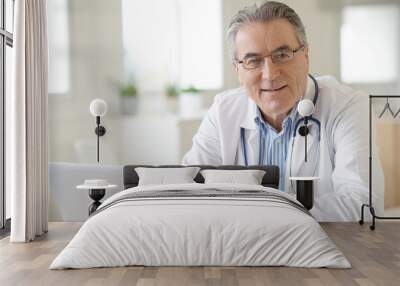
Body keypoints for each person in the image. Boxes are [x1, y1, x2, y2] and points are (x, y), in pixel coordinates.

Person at [182, 1, 383, 221]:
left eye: (282, 55)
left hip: (319, 250)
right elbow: (189, 191)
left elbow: (362, 206)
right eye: (253, 60)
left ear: (305, 55)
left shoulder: (349, 107)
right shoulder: (223, 111)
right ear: (238, 69)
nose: (270, 74)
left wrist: (262, 217)